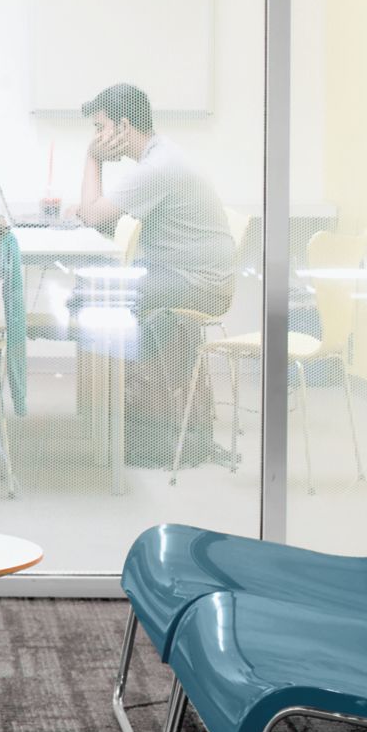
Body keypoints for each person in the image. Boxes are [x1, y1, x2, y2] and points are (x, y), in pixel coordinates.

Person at [71, 81, 240, 461]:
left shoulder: (158, 167)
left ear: (123, 126)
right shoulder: (160, 157)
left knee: (96, 298)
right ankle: (111, 417)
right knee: (93, 295)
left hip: (200, 284)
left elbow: (94, 216)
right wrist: (87, 209)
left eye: (101, 128)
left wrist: (92, 159)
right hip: (187, 274)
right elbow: (100, 216)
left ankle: (125, 426)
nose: (98, 137)